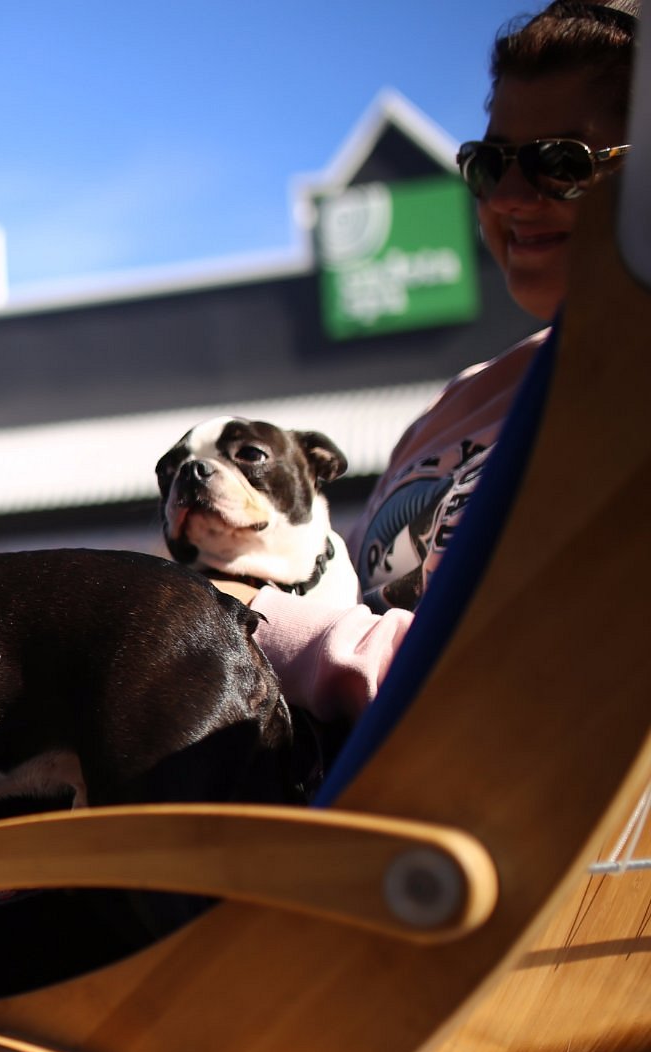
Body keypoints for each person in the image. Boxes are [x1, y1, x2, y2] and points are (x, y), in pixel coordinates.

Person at [221, 0, 635, 720]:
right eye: (490, 163)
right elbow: (349, 593)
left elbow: (519, 680)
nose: (509, 197)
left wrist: (260, 627)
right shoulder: (471, 395)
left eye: (562, 164)